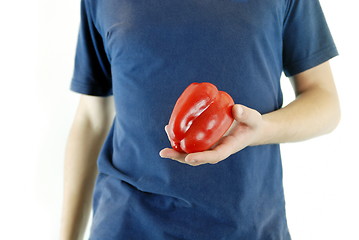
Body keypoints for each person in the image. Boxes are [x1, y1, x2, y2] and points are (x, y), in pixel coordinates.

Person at [60, 0, 340, 239]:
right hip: (126, 223)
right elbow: (91, 119)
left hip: (246, 226)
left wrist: (262, 130)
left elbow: (324, 100)